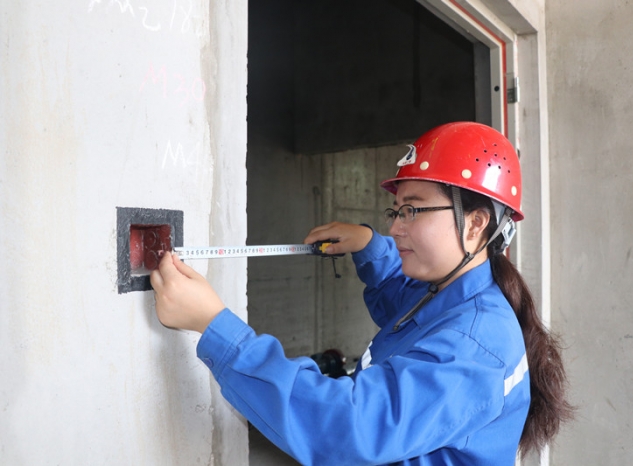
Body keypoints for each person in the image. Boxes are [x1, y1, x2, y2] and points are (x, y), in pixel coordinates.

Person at [151, 122, 573, 465]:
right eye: (396, 210)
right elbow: (403, 305)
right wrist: (369, 246)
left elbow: (346, 426)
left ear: (476, 224)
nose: (395, 226)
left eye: (412, 209)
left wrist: (216, 329)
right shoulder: (455, 295)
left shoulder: (474, 345)